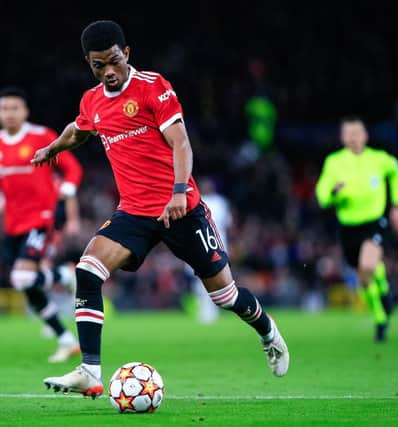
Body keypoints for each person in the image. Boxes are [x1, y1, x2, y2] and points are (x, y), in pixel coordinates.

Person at [32, 20, 289, 398]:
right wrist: (53, 148)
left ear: (127, 54)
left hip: (181, 208)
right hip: (134, 212)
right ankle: (89, 369)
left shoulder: (153, 87)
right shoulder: (93, 100)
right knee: (87, 270)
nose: (109, 72)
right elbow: (79, 129)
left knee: (225, 296)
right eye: (98, 66)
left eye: (114, 61)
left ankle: (267, 330)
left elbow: (181, 143)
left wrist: (179, 192)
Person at [0, 87, 83, 362]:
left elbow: (72, 169)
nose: (9, 113)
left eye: (15, 108)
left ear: (25, 111)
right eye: (4, 108)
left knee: (22, 277)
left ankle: (64, 277)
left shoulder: (42, 137)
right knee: (25, 284)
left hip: (41, 219)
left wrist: (69, 190)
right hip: (12, 225)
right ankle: (66, 338)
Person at [316, 115, 398, 342]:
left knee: (368, 264)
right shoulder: (334, 162)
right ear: (342, 137)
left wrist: (397, 205)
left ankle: (383, 291)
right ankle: (380, 316)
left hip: (374, 222)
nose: (354, 137)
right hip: (348, 227)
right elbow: (322, 194)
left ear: (365, 135)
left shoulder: (379, 159)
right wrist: (332, 194)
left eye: (357, 133)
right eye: (349, 133)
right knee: (364, 279)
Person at [187, 178, 233, 324]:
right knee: (203, 279)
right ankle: (206, 310)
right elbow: (229, 223)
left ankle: (209, 311)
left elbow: (228, 224)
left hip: (210, 244)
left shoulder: (209, 202)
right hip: (207, 244)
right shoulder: (217, 202)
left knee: (210, 278)